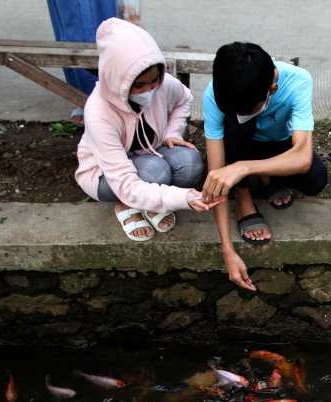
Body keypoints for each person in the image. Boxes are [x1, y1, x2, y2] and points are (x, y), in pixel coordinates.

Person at [75, 18, 223, 241]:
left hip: (149, 152)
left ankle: (153, 201)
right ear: (118, 79)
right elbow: (124, 182)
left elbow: (184, 98)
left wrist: (172, 132)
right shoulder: (98, 112)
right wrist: (184, 198)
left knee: (191, 163)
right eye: (139, 85)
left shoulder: (162, 84)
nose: (149, 90)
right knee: (156, 172)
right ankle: (124, 204)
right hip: (106, 174)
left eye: (153, 81)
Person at [200, 42, 328, 291]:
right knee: (238, 124)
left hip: (277, 146)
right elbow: (216, 175)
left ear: (272, 88)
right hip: (238, 144)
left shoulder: (298, 81)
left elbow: (302, 158)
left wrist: (243, 168)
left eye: (248, 108)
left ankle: (267, 179)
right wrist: (228, 251)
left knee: (316, 178)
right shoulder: (215, 94)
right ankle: (245, 197)